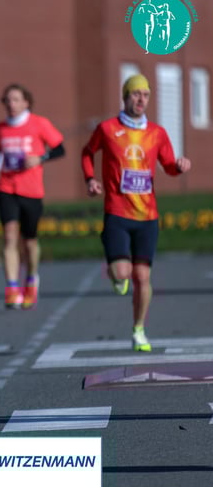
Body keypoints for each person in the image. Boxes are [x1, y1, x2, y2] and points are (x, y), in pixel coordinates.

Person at [81, 73, 191, 352]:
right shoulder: (107, 129)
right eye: (135, 94)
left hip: (148, 216)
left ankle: (139, 329)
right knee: (123, 273)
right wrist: (90, 179)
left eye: (145, 95)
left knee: (142, 277)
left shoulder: (157, 133)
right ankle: (116, 273)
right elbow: (86, 152)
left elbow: (167, 165)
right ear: (125, 96)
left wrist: (179, 166)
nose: (140, 99)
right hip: (117, 212)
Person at [0, 84, 65, 310]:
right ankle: (12, 288)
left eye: (15, 100)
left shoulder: (39, 124)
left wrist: (40, 158)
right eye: (8, 100)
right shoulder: (0, 128)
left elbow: (60, 148)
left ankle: (31, 279)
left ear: (26, 103)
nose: (11, 104)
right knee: (10, 237)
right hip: (6, 188)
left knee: (29, 241)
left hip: (31, 190)